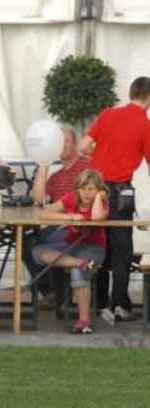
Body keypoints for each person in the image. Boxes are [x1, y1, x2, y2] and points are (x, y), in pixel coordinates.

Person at [79, 76, 150, 325]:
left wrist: (99, 153)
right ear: (148, 99)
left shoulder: (108, 114)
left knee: (98, 243)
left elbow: (83, 145)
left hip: (96, 190)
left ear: (131, 93)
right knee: (122, 249)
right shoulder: (144, 123)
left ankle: (98, 303)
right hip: (121, 192)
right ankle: (119, 304)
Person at [32, 169, 109, 334]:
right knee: (38, 251)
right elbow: (44, 213)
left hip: (93, 246)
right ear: (77, 188)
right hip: (71, 244)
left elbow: (96, 218)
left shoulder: (101, 203)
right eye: (83, 188)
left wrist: (99, 198)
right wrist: (70, 217)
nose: (87, 193)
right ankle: (82, 263)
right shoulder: (71, 198)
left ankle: (84, 321)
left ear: (99, 190)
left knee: (77, 273)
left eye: (92, 189)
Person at [23, 127, 90, 309]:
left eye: (66, 141)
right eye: (58, 142)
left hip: (78, 229)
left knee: (35, 243)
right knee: (25, 242)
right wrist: (43, 165)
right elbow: (39, 200)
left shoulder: (87, 168)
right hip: (57, 226)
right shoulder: (56, 176)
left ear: (76, 144)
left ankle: (57, 295)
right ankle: (52, 293)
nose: (61, 146)